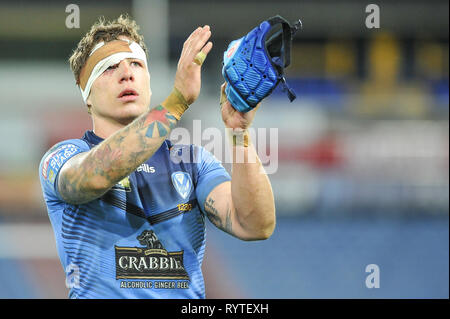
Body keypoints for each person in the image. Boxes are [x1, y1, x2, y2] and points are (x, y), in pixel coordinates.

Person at [39, 14, 275, 299]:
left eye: (136, 64)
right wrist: (176, 102)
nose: (127, 73)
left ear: (148, 83)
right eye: (109, 67)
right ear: (86, 93)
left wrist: (239, 133)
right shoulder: (64, 157)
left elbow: (255, 225)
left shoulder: (193, 163)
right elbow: (94, 176)